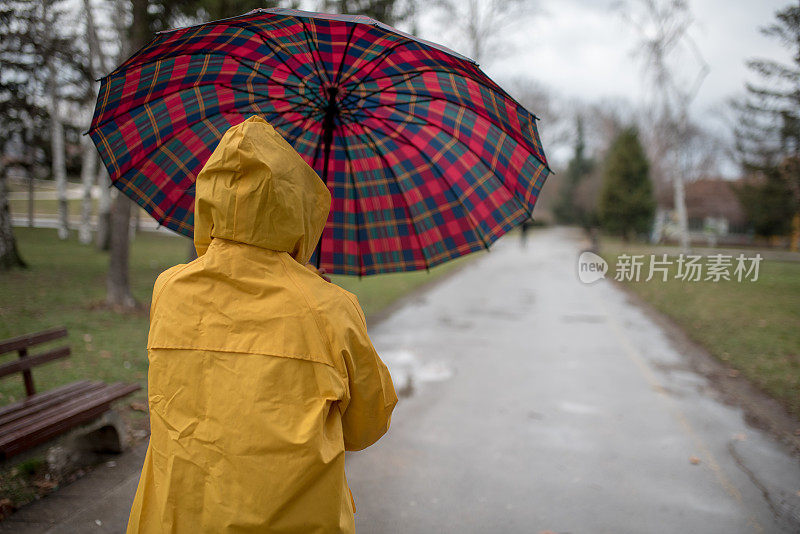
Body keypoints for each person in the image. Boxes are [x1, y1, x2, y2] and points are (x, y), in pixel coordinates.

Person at [127, 116, 397, 533]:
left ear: (208, 199)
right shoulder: (330, 309)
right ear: (297, 206)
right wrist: (315, 292)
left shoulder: (168, 289)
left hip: (177, 517)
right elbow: (366, 424)